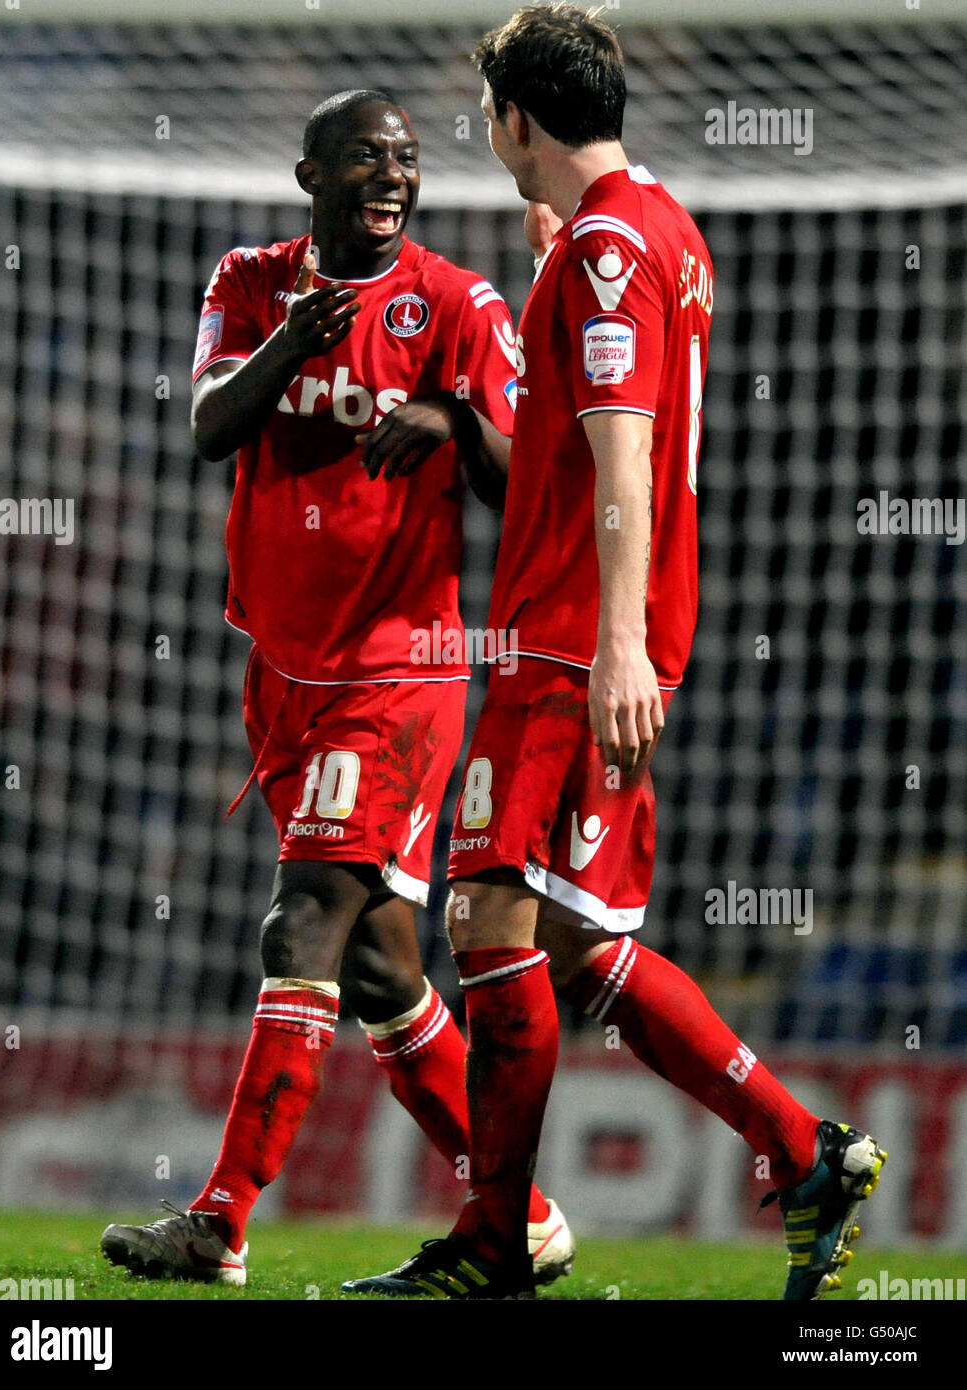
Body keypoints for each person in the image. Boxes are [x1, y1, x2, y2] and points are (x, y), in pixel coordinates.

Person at [341, 7, 886, 1302]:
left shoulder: (599, 249)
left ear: (517, 118)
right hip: (611, 633)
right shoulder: (659, 233)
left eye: (487, 117)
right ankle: (803, 1147)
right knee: (581, 947)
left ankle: (492, 1244)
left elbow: (623, 448)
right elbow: (589, 419)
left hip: (572, 644)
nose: (486, 140)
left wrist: (618, 642)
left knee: (477, 917)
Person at [100, 89, 573, 1287]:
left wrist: (453, 411)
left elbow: (525, 483)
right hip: (282, 673)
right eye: (367, 157)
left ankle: (218, 1219)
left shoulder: (457, 303)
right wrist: (292, 346)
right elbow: (210, 422)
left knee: (299, 922)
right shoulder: (250, 282)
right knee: (380, 972)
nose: (393, 175)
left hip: (397, 672)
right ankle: (521, 1212)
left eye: (408, 160)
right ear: (310, 175)